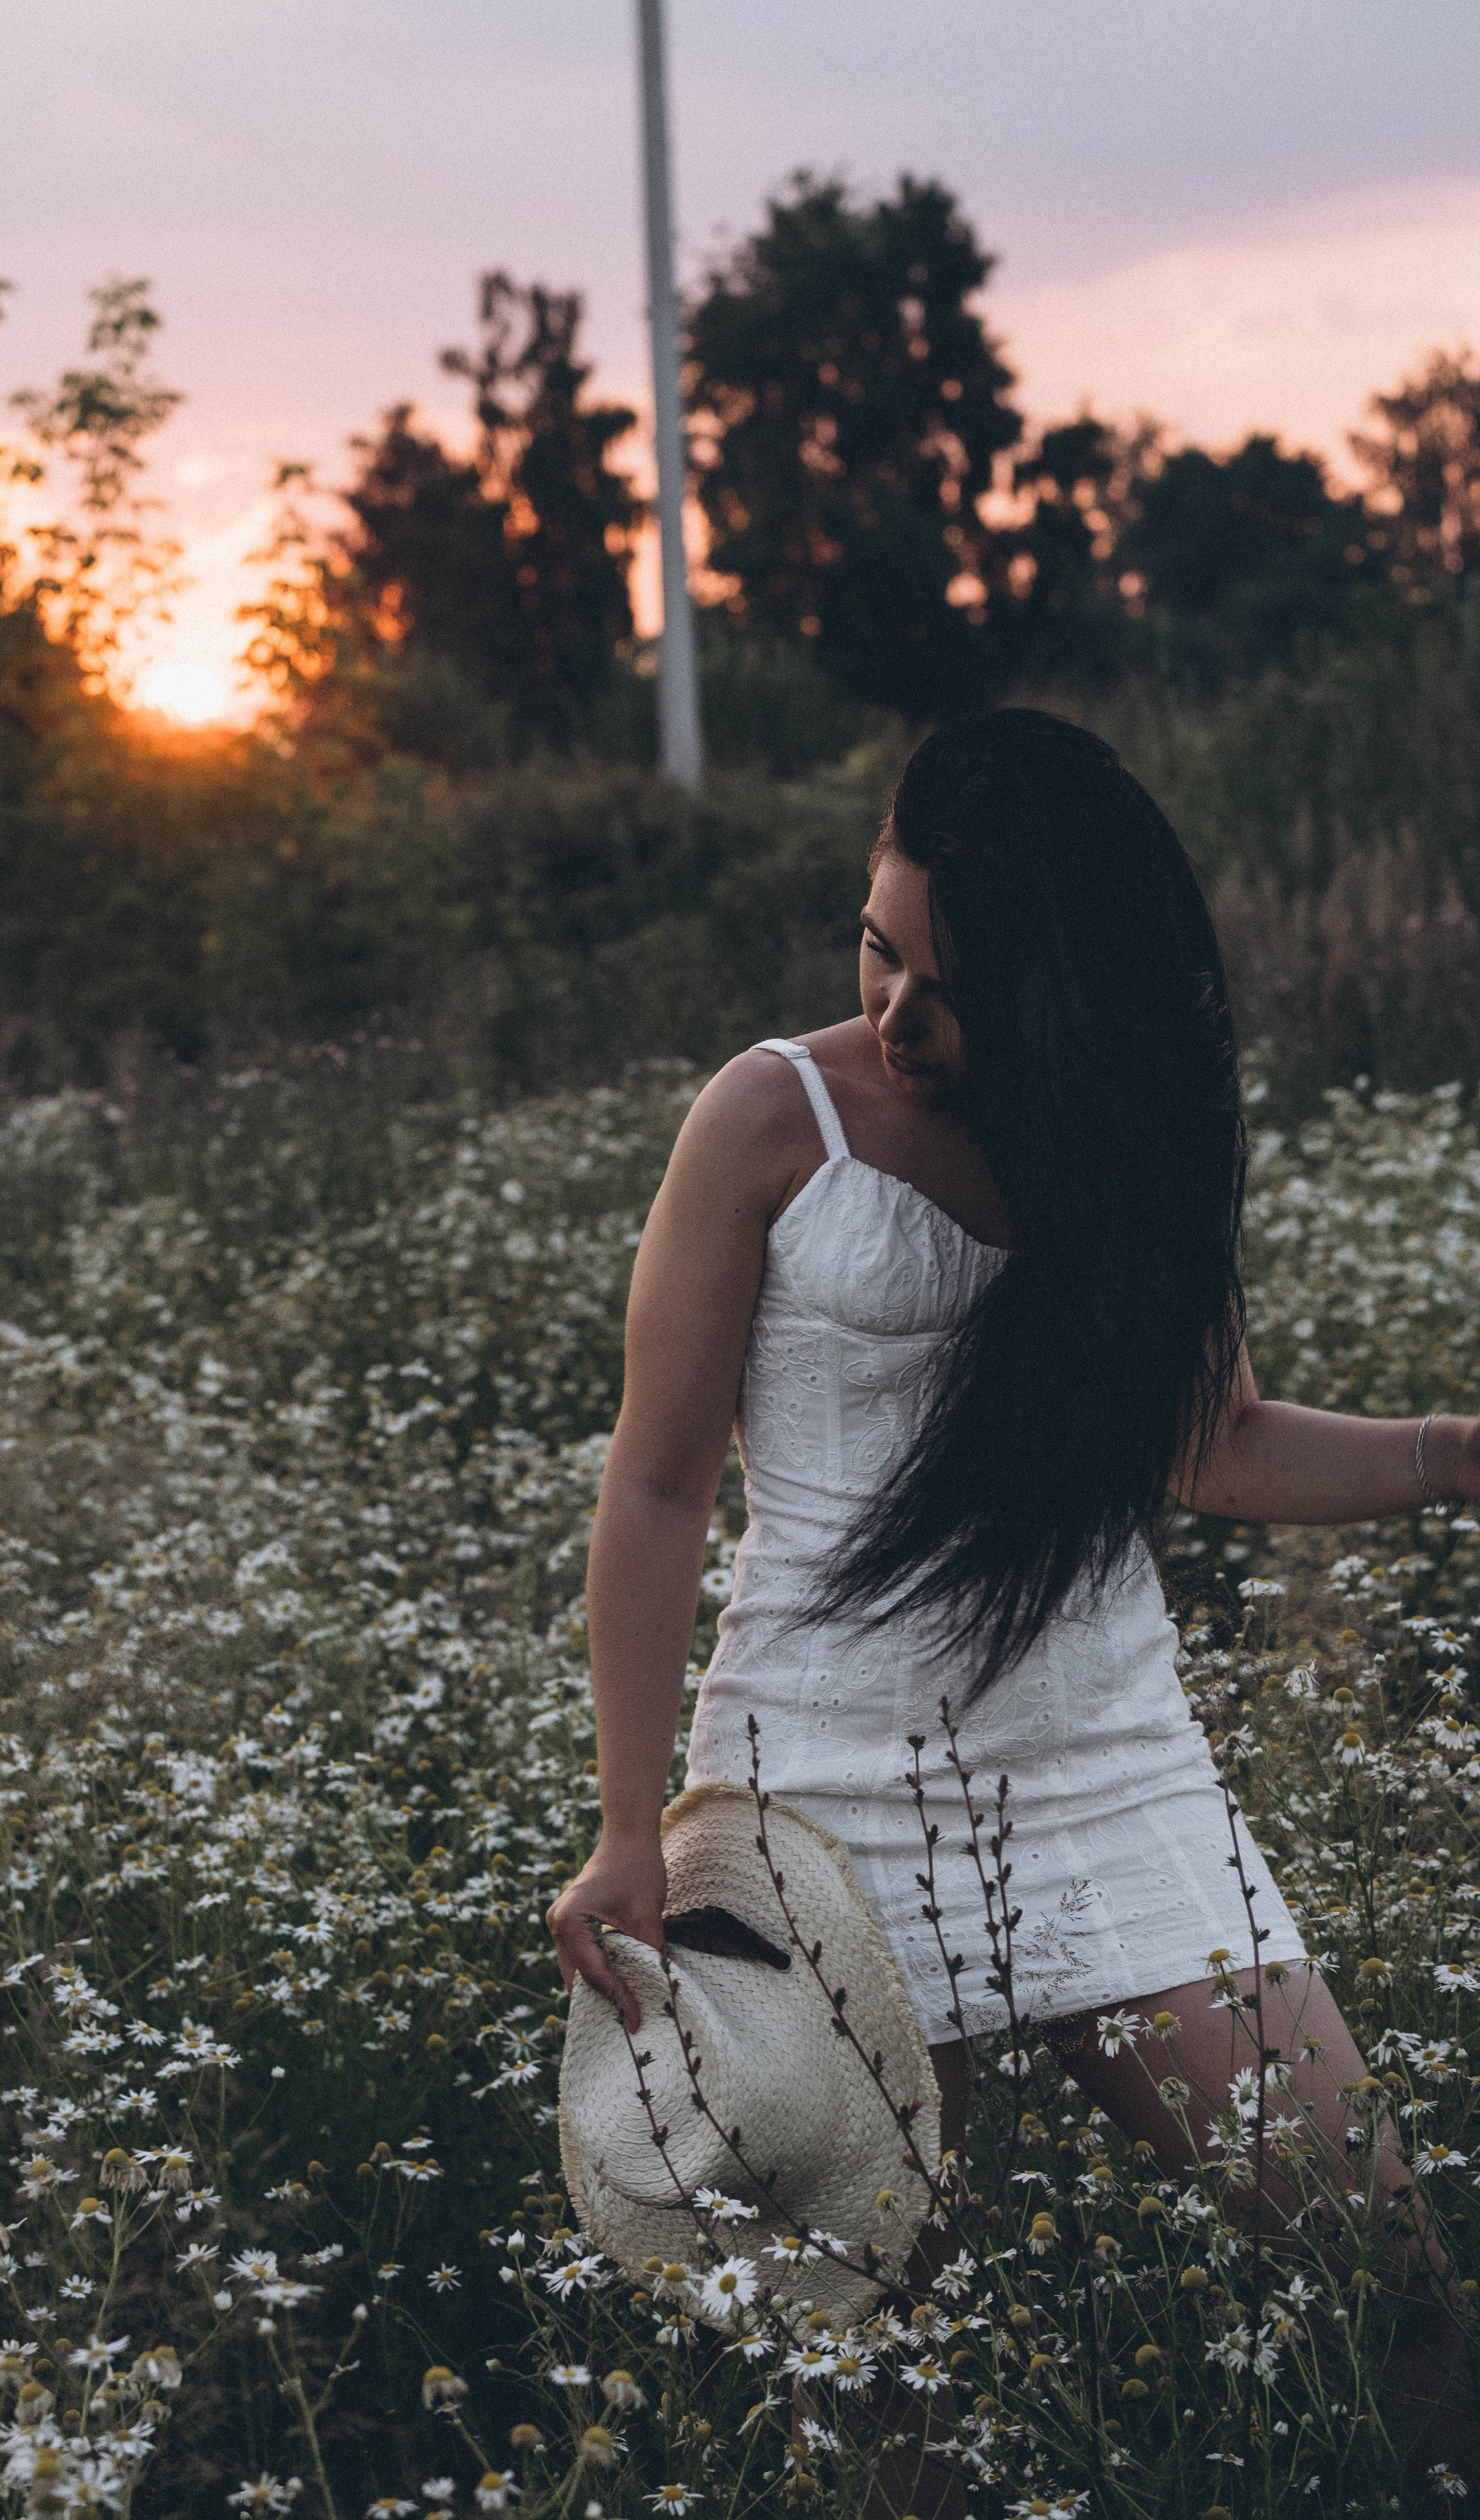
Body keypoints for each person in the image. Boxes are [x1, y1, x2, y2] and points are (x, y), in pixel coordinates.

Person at [546, 709, 1480, 2506]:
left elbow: (1206, 1441)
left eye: (948, 985)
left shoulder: (1129, 1136)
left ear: (1071, 997)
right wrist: (625, 1822)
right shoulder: (770, 1115)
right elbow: (657, 1486)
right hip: (814, 1799)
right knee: (900, 2409)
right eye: (876, 949)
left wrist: (1454, 1453)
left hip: (1106, 1769)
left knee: (1399, 2295)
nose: (895, 1016)